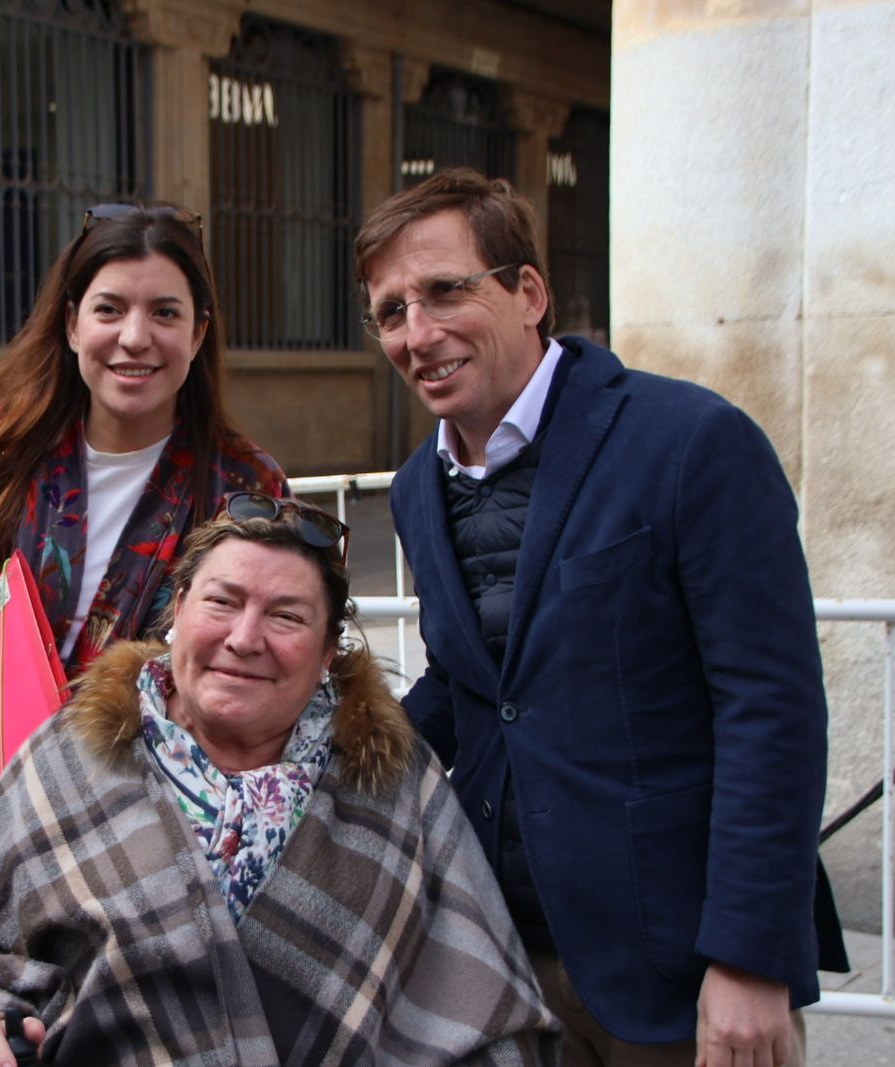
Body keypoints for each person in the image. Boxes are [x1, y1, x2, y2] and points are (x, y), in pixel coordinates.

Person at [354, 167, 847, 1067]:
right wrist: (313, 750)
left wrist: (748, 954)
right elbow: (472, 683)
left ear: (528, 291)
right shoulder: (418, 487)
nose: (418, 334)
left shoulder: (691, 440)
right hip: (499, 963)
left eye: (445, 291)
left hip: (679, 975)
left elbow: (769, 707)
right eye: (391, 311)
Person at [0, 497, 560, 1066]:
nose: (244, 636)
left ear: (327, 652)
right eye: (222, 602)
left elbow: (492, 1016)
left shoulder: (395, 781)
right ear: (176, 614)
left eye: (286, 615)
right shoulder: (72, 755)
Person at [0, 204, 286, 896]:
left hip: (150, 862)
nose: (135, 338)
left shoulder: (244, 488)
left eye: (166, 314)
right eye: (109, 309)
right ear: (71, 321)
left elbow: (269, 671)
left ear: (199, 332)